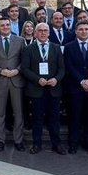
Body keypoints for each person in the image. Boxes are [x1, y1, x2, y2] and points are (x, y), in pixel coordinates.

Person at [21, 22, 66, 155]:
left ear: (49, 33)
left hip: (53, 89)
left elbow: (62, 68)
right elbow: (24, 68)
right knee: (37, 118)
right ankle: (37, 144)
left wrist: (56, 79)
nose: (42, 33)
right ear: (35, 33)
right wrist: (37, 79)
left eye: (45, 30)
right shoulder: (28, 49)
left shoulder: (56, 48)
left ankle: (56, 144)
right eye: (40, 30)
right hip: (36, 89)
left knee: (54, 119)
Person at [64, 21, 88, 155]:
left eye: (86, 29)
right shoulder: (69, 47)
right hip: (75, 88)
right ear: (76, 31)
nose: (84, 31)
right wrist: (81, 81)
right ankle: (73, 143)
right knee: (74, 117)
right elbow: (69, 67)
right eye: (80, 29)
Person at [0, 18, 26, 152]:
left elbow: (25, 60)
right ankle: (0, 140)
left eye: (7, 25)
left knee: (18, 113)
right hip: (0, 81)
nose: (5, 27)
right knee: (0, 113)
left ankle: (19, 140)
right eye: (2, 25)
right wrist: (0, 71)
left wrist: (17, 70)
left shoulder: (20, 40)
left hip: (16, 80)